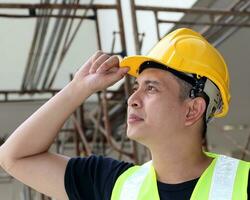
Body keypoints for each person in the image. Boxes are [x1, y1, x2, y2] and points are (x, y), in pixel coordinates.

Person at [0, 28, 249, 200]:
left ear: (192, 110)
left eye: (151, 88)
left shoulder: (242, 183)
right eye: (136, 87)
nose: (132, 99)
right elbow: (14, 157)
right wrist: (78, 88)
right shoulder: (113, 184)